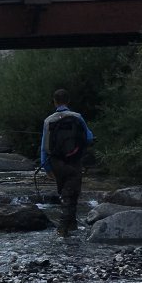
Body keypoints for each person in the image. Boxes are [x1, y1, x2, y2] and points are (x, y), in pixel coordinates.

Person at [40, 89, 93, 236]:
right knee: (72, 193)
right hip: (75, 160)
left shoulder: (48, 120)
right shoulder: (77, 117)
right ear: (68, 101)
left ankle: (71, 226)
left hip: (56, 162)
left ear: (55, 101)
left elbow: (44, 147)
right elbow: (88, 138)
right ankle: (62, 229)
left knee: (65, 193)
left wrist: (46, 167)